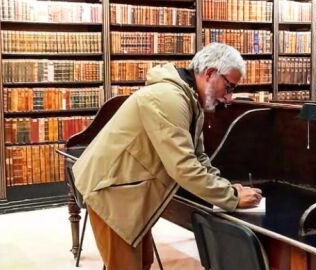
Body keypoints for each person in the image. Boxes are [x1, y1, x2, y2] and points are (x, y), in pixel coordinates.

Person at [72, 42, 263, 270]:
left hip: (127, 190)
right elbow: (183, 167)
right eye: (229, 87)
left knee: (142, 263)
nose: (229, 98)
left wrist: (227, 188)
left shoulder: (190, 100)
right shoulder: (169, 98)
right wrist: (230, 197)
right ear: (210, 73)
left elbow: (198, 157)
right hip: (111, 192)